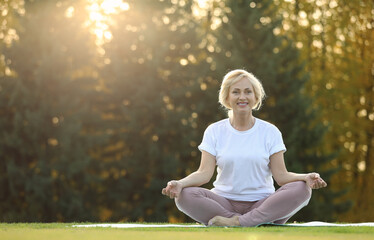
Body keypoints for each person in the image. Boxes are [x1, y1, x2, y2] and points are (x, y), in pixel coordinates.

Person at [161, 69, 327, 227]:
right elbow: (203, 173)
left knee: (302, 189)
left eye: (248, 92)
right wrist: (179, 183)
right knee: (184, 195)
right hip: (223, 204)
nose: (242, 97)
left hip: (263, 203)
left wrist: (306, 177)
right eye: (236, 92)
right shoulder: (214, 131)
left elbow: (282, 176)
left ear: (255, 97)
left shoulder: (270, 131)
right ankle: (255, 222)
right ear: (227, 97)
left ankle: (238, 222)